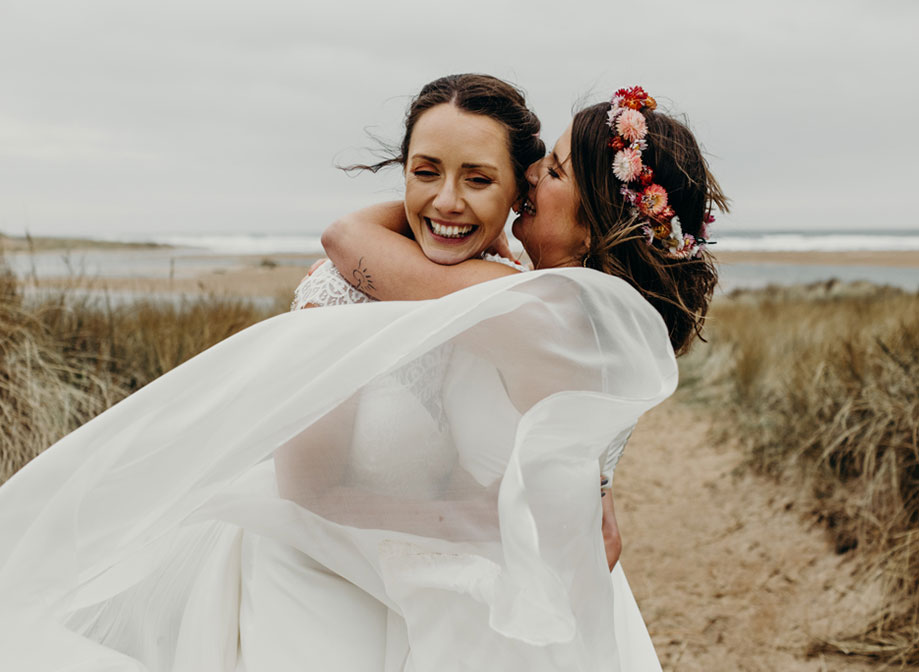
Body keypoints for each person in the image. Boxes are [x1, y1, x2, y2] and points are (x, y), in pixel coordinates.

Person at [0, 82, 724, 672]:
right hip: (464, 585)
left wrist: (431, 204)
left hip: (487, 586)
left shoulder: (536, 309)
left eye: (550, 171)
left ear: (596, 222)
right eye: (424, 168)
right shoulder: (607, 313)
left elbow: (345, 238)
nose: (534, 175)